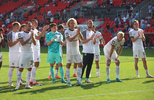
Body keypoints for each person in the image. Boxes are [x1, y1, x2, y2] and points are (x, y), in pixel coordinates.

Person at [15, 21, 36, 90]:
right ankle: (17, 85)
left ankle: (27, 85)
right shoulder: (20, 34)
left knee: (29, 68)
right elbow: (22, 43)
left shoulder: (32, 33)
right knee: (21, 69)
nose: (30, 27)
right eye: (29, 26)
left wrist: (32, 37)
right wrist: (30, 37)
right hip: (24, 53)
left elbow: (35, 43)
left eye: (31, 26)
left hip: (30, 53)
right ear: (25, 27)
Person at [65, 18, 85, 86]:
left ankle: (78, 80)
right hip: (70, 51)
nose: (72, 24)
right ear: (68, 24)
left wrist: (79, 33)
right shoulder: (67, 31)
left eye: (74, 23)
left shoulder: (77, 30)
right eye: (71, 23)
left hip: (77, 50)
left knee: (80, 65)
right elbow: (70, 39)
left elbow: (82, 39)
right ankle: (68, 81)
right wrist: (77, 34)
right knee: (69, 65)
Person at [29, 19, 49, 86]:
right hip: (34, 49)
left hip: (37, 48)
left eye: (37, 23)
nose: (36, 24)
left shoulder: (35, 30)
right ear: (31, 23)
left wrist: (44, 30)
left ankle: (31, 80)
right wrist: (43, 30)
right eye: (35, 23)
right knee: (35, 64)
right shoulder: (31, 31)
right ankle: (33, 81)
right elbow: (37, 38)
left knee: (36, 64)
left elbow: (42, 35)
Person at [7, 22, 25, 87]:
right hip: (13, 53)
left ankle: (19, 81)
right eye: (18, 26)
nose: (19, 28)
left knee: (19, 67)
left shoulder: (19, 34)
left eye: (19, 26)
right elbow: (10, 45)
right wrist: (17, 41)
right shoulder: (10, 34)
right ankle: (10, 82)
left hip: (19, 52)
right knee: (11, 67)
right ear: (14, 26)